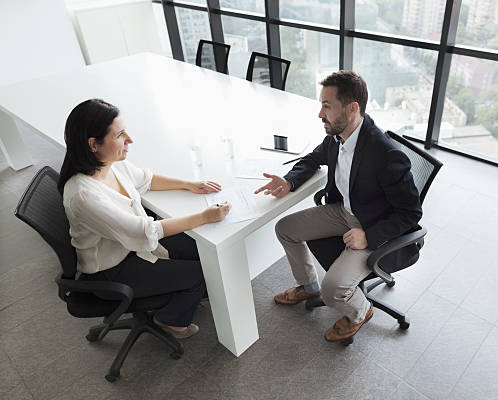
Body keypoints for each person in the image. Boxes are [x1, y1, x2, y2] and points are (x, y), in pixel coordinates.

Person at [255, 71, 422, 342]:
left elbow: (411, 213)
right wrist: (289, 181)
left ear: (352, 108)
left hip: (373, 225)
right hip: (345, 210)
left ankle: (360, 311)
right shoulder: (337, 134)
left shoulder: (387, 155)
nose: (320, 114)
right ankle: (308, 286)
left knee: (332, 290)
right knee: (285, 228)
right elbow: (312, 159)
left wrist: (369, 236)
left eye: (327, 105)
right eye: (321, 104)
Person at [58, 99, 231, 339]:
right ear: (93, 144)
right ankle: (171, 321)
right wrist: (204, 216)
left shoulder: (110, 164)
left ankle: (182, 293)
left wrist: (190, 184)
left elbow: (145, 179)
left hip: (131, 247)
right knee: (206, 271)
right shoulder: (84, 194)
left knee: (199, 248)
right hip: (112, 269)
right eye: (120, 135)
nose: (129, 140)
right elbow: (144, 232)